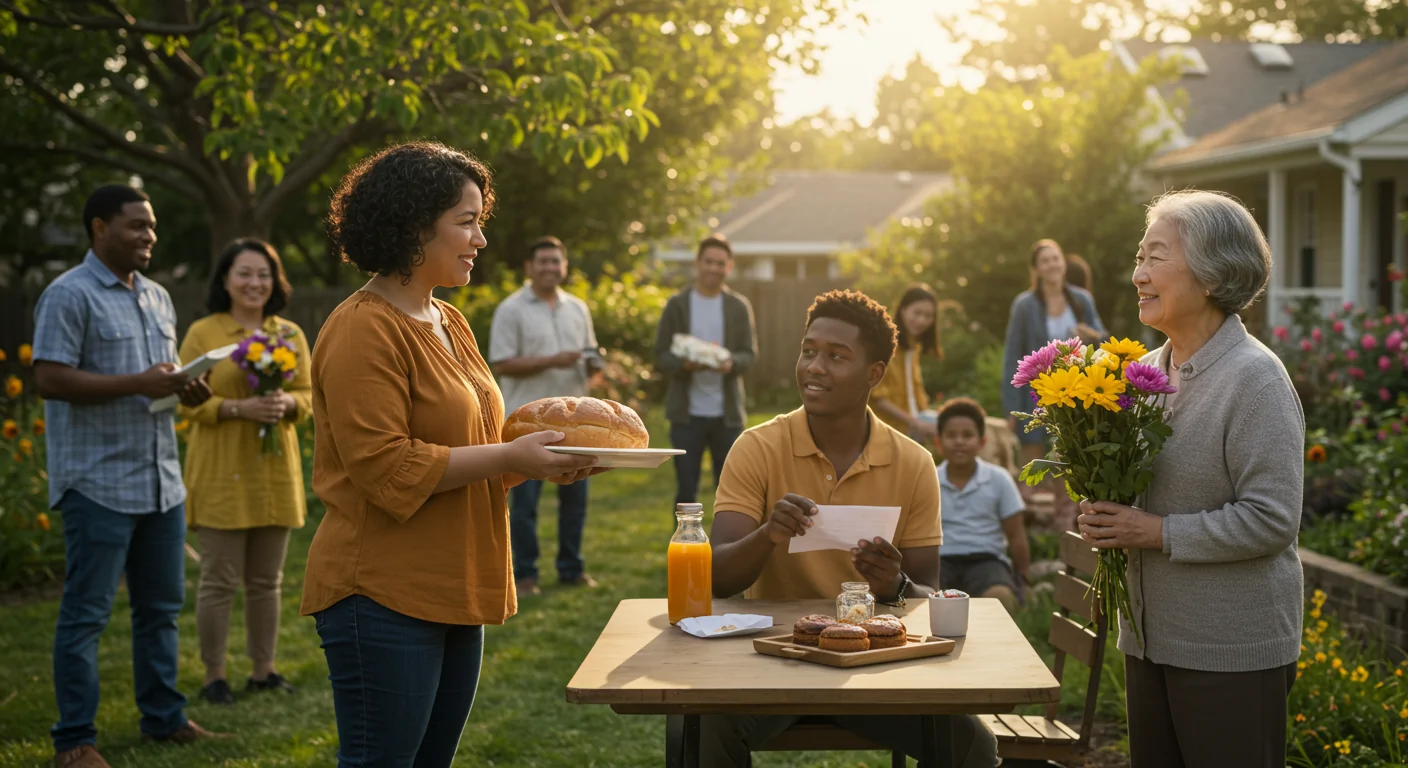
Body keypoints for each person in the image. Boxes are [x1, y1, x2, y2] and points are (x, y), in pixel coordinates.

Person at [300, 142, 599, 768]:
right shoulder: (363, 327)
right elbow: (385, 467)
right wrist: (507, 457)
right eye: (467, 221)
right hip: (381, 594)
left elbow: (478, 449)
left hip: (455, 586)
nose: (481, 239)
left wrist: (544, 459)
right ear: (414, 226)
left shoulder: (449, 321)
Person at [705, 289, 997, 767]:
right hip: (773, 661)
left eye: (836, 356)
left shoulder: (914, 462)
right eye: (809, 351)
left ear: (874, 374)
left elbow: (926, 592)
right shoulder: (756, 447)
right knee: (703, 728)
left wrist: (893, 585)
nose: (815, 366)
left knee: (973, 748)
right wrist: (769, 534)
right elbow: (716, 577)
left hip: (874, 668)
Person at [1077, 190, 1303, 768]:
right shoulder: (1144, 374)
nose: (1138, 274)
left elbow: (1273, 519)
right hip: (1151, 643)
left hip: (1232, 650)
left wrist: (1154, 532)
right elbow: (1141, 493)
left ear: (1211, 275)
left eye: (1156, 258)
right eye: (1139, 257)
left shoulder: (1255, 380)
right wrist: (1105, 511)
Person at [33, 184, 219, 768]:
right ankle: (75, 742)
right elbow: (50, 378)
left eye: (152, 225)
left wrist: (186, 389)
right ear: (99, 229)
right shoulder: (68, 295)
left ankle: (163, 719)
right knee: (86, 616)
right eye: (137, 225)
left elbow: (157, 384)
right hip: (97, 484)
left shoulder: (159, 297)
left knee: (160, 611)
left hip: (160, 480)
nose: (149, 236)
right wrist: (139, 382)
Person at [177, 238, 310, 705]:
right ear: (225, 280)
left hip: (275, 473)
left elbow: (309, 396)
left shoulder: (289, 334)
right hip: (221, 471)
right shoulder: (204, 333)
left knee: (266, 581)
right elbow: (188, 402)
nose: (255, 283)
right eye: (245, 273)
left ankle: (263, 669)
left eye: (264, 274)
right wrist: (238, 408)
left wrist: (287, 402)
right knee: (219, 580)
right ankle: (214, 674)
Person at [489, 235, 603, 595]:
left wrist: (594, 366)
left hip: (576, 428)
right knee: (524, 505)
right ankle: (524, 574)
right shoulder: (511, 309)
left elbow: (588, 352)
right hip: (528, 425)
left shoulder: (577, 308)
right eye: (543, 262)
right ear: (529, 267)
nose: (551, 268)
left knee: (575, 501)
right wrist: (552, 360)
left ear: (564, 267)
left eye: (556, 262)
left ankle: (571, 568)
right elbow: (502, 363)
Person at [1002, 239, 1105, 529]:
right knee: (1032, 463)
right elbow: (1013, 355)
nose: (1052, 265)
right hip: (1035, 391)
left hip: (1074, 389)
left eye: (1055, 258)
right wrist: (1010, 406)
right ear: (1036, 268)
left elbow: (1102, 339)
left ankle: (1065, 524)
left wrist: (1091, 334)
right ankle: (1032, 530)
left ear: (1063, 262)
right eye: (1045, 260)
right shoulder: (1024, 305)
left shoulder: (1081, 299)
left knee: (1066, 456)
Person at [653, 233, 758, 505]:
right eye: (708, 262)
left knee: (730, 493)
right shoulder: (677, 305)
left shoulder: (738, 307)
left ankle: (725, 547)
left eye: (720, 263)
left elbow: (749, 354)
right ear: (697, 263)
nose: (714, 268)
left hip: (727, 417)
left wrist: (731, 363)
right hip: (686, 416)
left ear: (729, 267)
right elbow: (661, 354)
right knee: (687, 492)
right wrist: (684, 365)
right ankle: (685, 546)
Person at [933, 398, 1030, 613]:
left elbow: (1016, 534)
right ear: (938, 442)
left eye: (967, 435)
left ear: (982, 442)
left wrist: (1024, 580)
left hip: (987, 561)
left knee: (1000, 599)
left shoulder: (999, 479)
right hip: (941, 562)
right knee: (929, 600)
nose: (959, 442)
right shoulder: (928, 480)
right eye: (951, 436)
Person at [870, 284, 940, 443]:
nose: (922, 320)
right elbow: (877, 398)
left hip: (914, 420)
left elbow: (916, 394)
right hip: (887, 427)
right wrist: (915, 423)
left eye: (928, 316)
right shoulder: (884, 345)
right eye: (917, 313)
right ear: (903, 310)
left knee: (967, 422)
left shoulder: (914, 346)